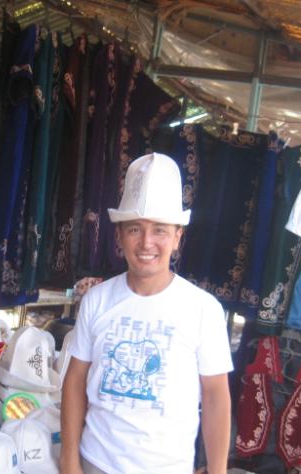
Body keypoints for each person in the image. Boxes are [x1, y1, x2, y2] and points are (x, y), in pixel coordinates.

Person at [61, 153, 233, 474]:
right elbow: (75, 380)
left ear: (178, 237)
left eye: (160, 230)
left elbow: (215, 395)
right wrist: (69, 460)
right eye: (135, 229)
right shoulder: (97, 300)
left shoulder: (203, 309)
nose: (146, 243)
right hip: (97, 462)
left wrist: (217, 470)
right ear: (119, 236)